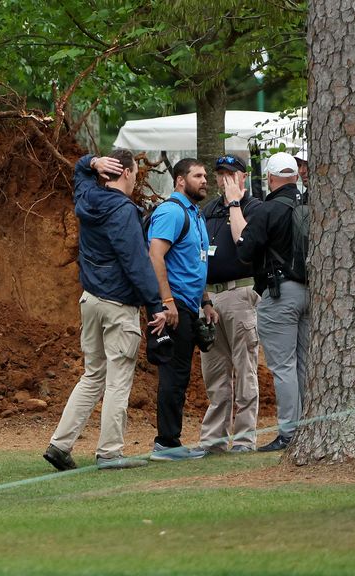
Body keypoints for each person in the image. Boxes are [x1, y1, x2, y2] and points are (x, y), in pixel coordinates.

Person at [42, 150, 168, 472]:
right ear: (125, 172)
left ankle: (59, 445)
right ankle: (110, 452)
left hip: (91, 301)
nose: (137, 176)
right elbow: (136, 263)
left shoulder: (88, 198)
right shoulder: (123, 211)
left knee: (92, 375)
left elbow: (79, 175)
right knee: (117, 381)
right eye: (135, 171)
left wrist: (90, 163)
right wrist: (155, 305)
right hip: (118, 306)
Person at [233, 152, 308, 452]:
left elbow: (245, 251)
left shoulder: (267, 210)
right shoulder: (309, 205)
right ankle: (309, 425)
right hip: (310, 294)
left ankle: (289, 432)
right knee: (304, 364)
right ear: (295, 176)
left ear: (272, 179)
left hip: (280, 294)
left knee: (283, 366)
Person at [147, 158, 218, 461]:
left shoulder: (196, 215)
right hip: (173, 307)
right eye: (198, 176)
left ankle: (170, 440)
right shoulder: (171, 212)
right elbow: (155, 256)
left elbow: (196, 264)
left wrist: (205, 302)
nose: (204, 180)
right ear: (179, 180)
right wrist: (167, 303)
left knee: (181, 375)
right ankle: (166, 443)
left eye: (205, 175)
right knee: (173, 375)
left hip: (189, 307)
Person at [198, 156, 262, 453]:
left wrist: (235, 202)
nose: (225, 179)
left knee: (245, 368)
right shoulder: (208, 210)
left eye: (231, 174)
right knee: (214, 372)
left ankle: (245, 438)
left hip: (240, 293)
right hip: (209, 297)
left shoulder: (253, 207)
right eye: (221, 174)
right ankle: (214, 440)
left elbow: (245, 243)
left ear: (243, 177)